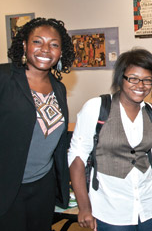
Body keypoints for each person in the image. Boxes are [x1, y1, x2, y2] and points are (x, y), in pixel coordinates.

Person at [68, 48, 152, 230]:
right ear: (121, 78)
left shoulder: (151, 112)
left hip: (150, 206)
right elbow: (77, 158)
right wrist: (84, 207)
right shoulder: (97, 107)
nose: (140, 85)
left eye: (147, 80)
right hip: (111, 210)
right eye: (133, 78)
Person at [0, 17, 74, 230]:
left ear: (60, 52)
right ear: (24, 45)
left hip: (43, 186)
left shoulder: (58, 88)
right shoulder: (4, 77)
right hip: (7, 187)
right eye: (37, 42)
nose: (45, 49)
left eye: (54, 44)